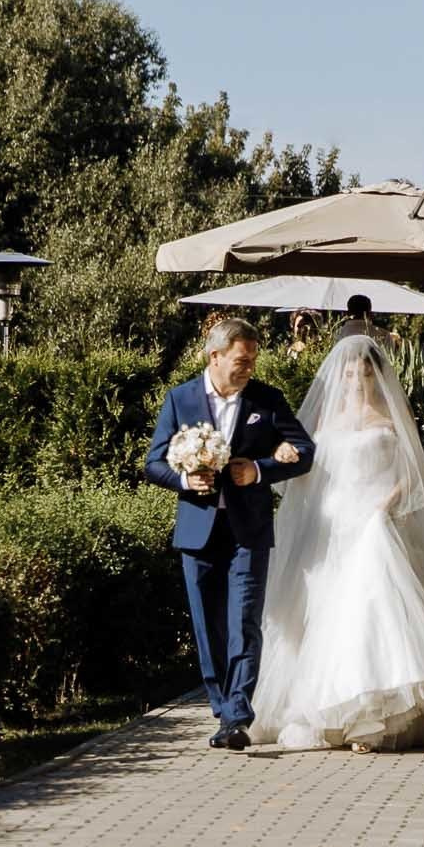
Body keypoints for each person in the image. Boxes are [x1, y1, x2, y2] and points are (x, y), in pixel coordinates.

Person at [249, 335, 424, 753]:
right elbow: (313, 470)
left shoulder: (391, 417)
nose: (355, 380)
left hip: (375, 520)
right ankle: (330, 710)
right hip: (333, 523)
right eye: (348, 373)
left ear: (376, 374)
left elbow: (413, 475)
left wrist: (386, 505)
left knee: (374, 610)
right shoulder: (326, 420)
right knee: (325, 614)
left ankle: (374, 717)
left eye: (362, 373)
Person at [143, 318, 318, 751]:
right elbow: (153, 462)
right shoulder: (180, 398)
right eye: (242, 360)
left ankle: (238, 714)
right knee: (209, 628)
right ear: (215, 356)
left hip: (249, 531)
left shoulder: (267, 400)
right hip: (197, 532)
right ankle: (223, 710)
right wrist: (185, 482)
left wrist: (259, 469)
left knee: (244, 621)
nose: (249, 368)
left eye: (253, 360)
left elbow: (307, 453)